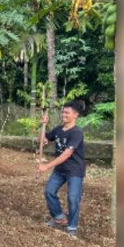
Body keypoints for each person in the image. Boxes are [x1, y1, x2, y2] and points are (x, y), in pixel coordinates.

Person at [38, 100, 86, 237]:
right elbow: (41, 140)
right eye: (63, 112)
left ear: (75, 115)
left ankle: (72, 227)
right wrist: (43, 126)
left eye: (67, 112)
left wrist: (47, 166)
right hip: (60, 170)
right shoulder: (58, 130)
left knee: (73, 198)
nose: (63, 114)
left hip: (75, 170)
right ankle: (60, 218)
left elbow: (67, 154)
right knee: (49, 191)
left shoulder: (77, 133)